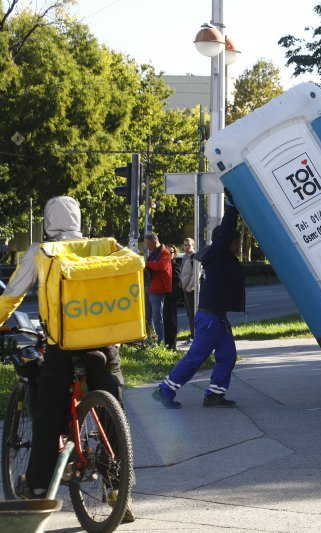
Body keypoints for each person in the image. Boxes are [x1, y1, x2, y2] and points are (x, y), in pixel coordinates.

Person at [0, 196, 134, 521]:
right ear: (77, 219)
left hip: (65, 344)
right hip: (106, 342)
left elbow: (13, 295)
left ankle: (35, 487)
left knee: (48, 412)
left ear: (48, 221)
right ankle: (119, 491)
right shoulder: (102, 248)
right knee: (111, 410)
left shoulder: (41, 252)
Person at [152, 196, 245, 409]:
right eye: (237, 241)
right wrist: (232, 208)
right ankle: (165, 390)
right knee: (195, 358)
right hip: (210, 319)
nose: (239, 244)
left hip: (218, 318)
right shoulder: (218, 253)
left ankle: (214, 394)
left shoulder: (222, 257)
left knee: (228, 356)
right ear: (228, 242)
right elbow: (226, 233)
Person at [144, 233, 172, 344]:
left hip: (158, 289)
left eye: (149, 245)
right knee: (148, 317)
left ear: (155, 243)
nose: (147, 247)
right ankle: (151, 340)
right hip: (149, 287)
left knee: (156, 318)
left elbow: (160, 266)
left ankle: (159, 342)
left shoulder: (165, 253)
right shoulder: (153, 253)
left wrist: (146, 263)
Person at [162, 244, 181, 350]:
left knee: (171, 322)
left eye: (171, 252)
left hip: (171, 297)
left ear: (174, 254)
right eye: (167, 252)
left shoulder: (174, 265)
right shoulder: (165, 264)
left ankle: (172, 346)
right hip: (165, 296)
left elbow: (178, 282)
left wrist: (171, 293)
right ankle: (167, 345)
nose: (169, 254)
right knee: (166, 321)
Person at [180, 237, 198, 344]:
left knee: (193, 314)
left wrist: (189, 287)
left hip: (191, 289)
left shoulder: (194, 257)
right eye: (185, 245)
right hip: (185, 288)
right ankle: (192, 334)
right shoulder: (184, 257)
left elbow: (196, 274)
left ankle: (194, 336)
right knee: (189, 314)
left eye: (189, 245)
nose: (186, 247)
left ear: (193, 246)